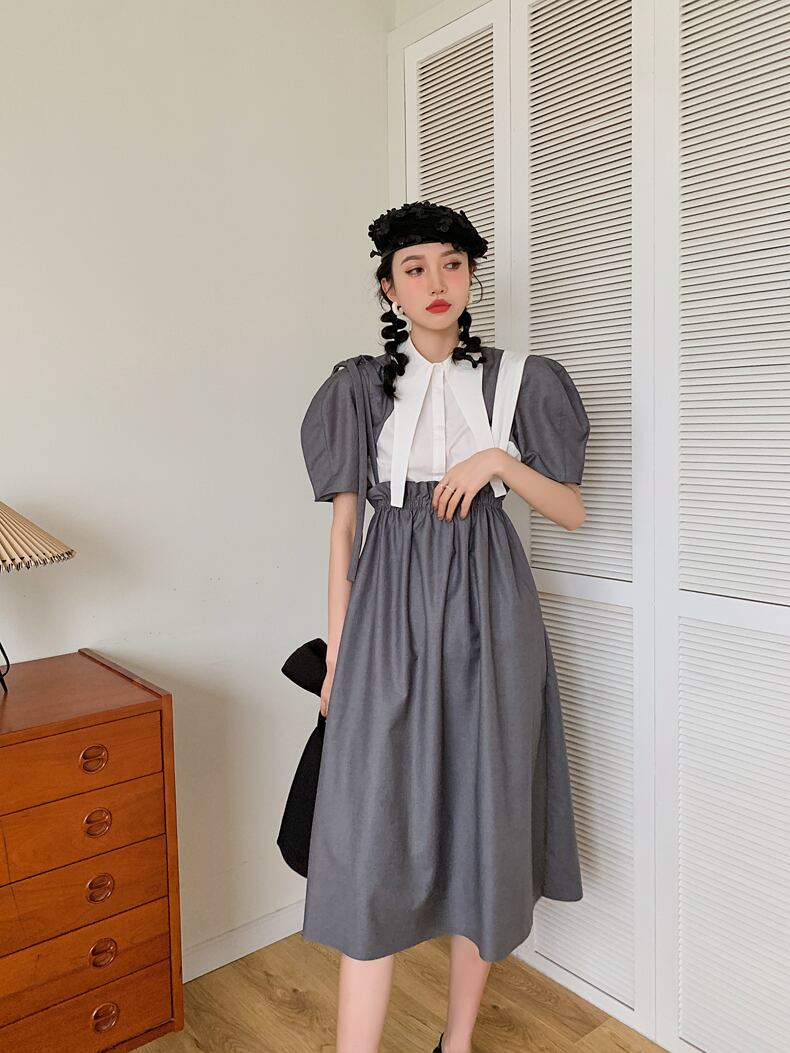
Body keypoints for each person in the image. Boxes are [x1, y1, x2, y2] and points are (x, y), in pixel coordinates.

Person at [299, 200, 590, 1053]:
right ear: (388, 288)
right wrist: (338, 658)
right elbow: (344, 532)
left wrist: (498, 461)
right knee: (370, 834)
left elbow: (571, 510)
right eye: (415, 268)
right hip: (388, 612)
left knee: (485, 819)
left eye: (453, 264)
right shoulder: (358, 386)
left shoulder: (520, 380)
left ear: (470, 278)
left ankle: (455, 1041)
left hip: (493, 616)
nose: (437, 282)